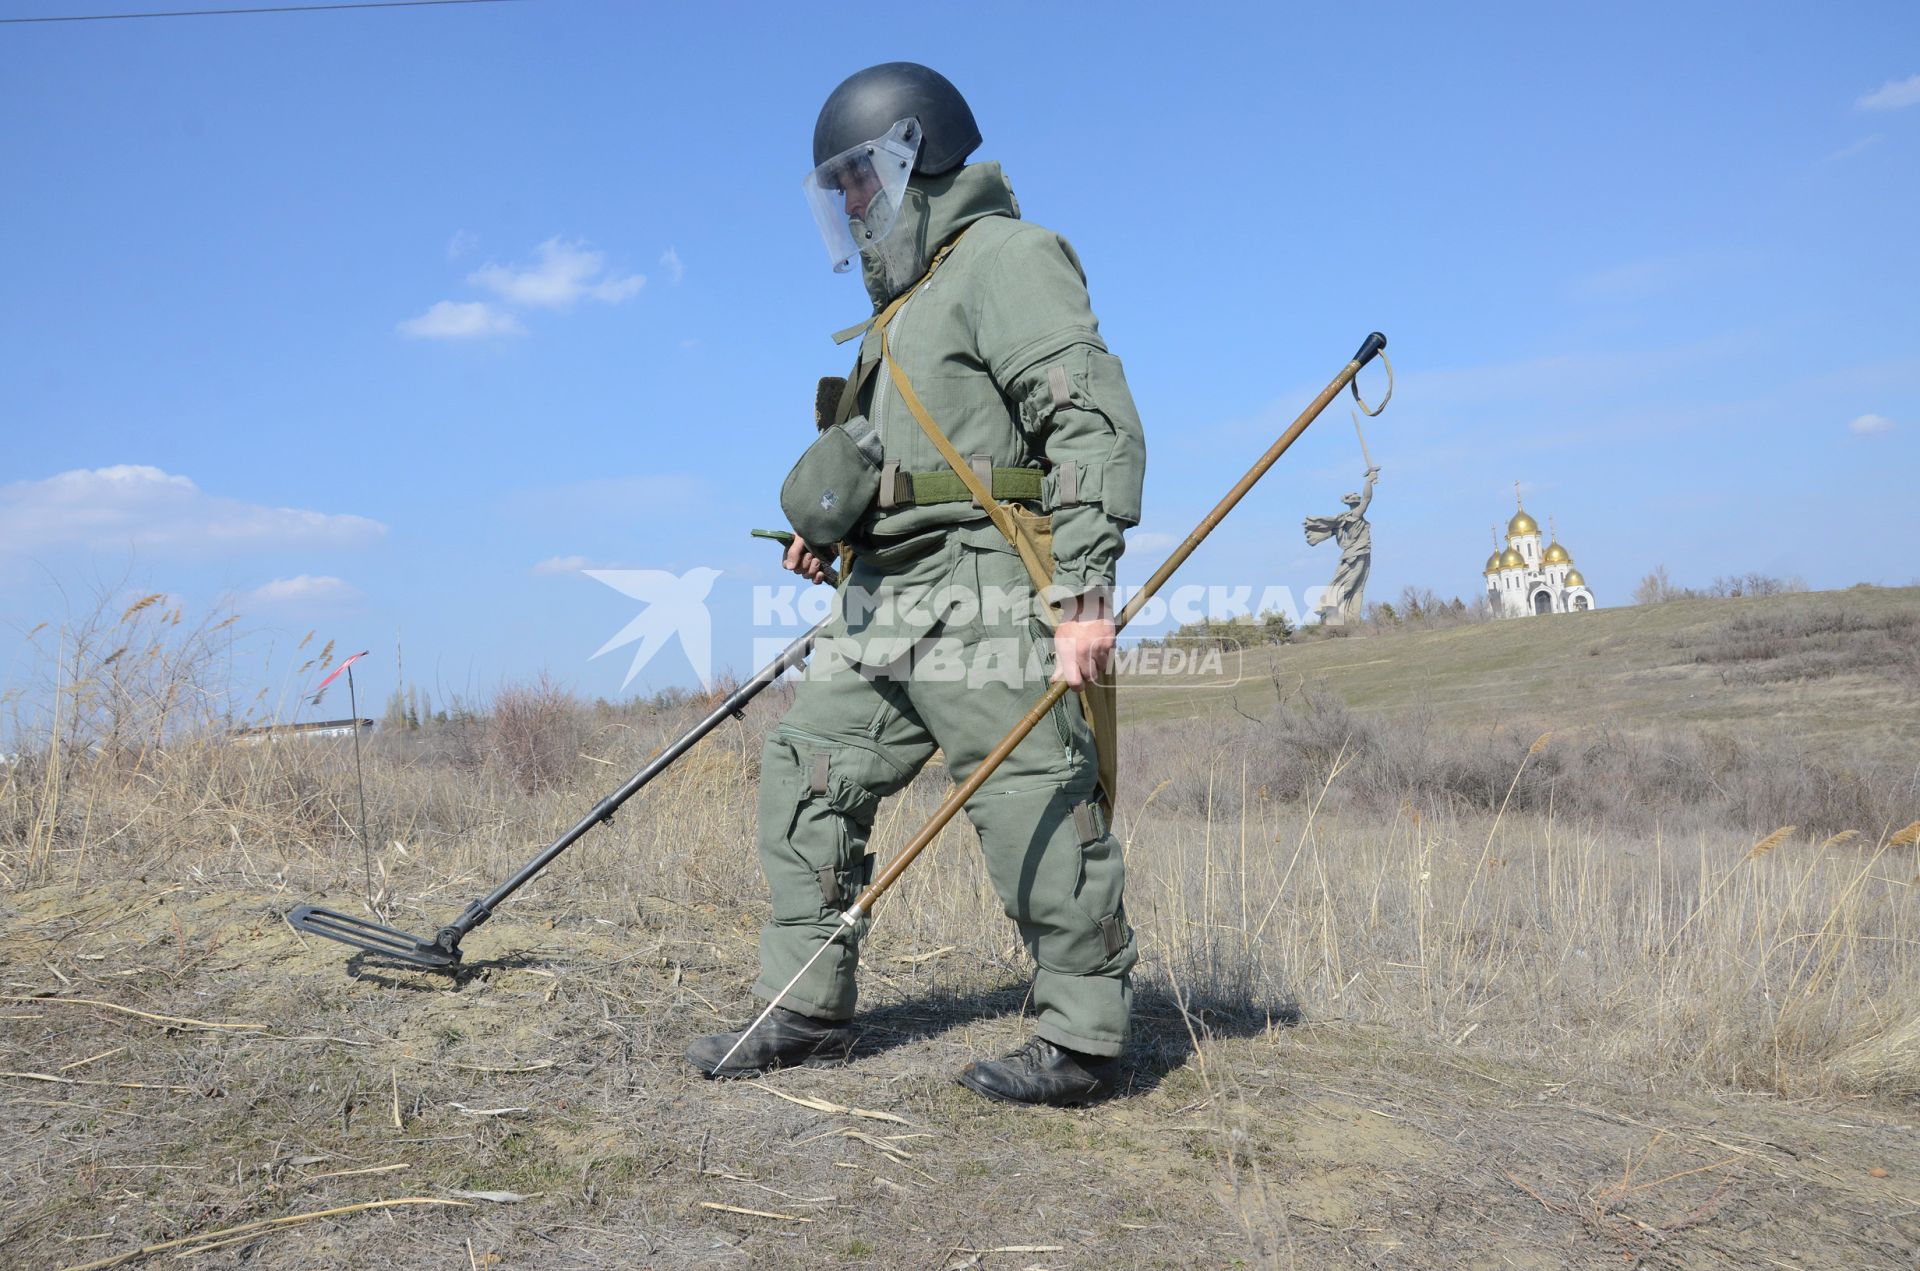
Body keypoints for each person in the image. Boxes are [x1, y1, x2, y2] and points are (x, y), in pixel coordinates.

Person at [684, 62, 1148, 1106]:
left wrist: (1082, 592)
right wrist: (838, 534)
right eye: (837, 187)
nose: (849, 204)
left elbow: (1090, 419)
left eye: (858, 177)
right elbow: (900, 463)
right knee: (807, 765)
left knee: (1028, 792)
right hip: (884, 593)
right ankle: (805, 999)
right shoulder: (903, 310)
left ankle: (1085, 1034)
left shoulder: (1007, 260)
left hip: (980, 580)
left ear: (917, 151)